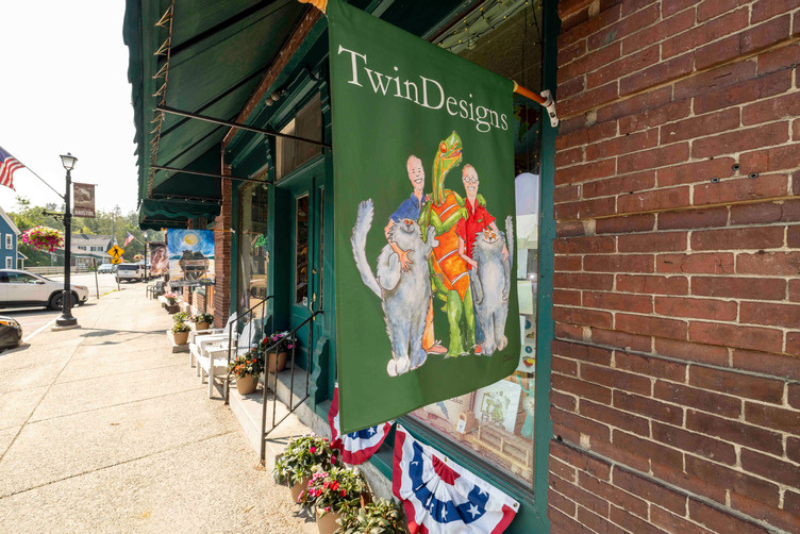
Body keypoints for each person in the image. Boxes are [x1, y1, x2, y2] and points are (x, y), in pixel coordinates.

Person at [385, 155, 447, 356]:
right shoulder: (407, 205)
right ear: (409, 177)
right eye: (413, 171)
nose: (418, 174)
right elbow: (388, 230)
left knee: (427, 305)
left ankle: (426, 344)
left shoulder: (428, 201)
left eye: (419, 169)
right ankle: (409, 349)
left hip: (425, 263)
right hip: (410, 266)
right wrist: (400, 253)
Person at [456, 164, 508, 355]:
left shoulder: (482, 210)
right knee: (479, 302)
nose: (471, 183)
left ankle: (496, 335)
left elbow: (496, 230)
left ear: (478, 183)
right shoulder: (462, 216)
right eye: (468, 179)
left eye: (474, 180)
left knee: (495, 300)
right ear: (463, 182)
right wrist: (472, 263)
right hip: (474, 268)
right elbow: (460, 251)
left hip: (491, 263)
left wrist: (504, 247)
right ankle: (481, 340)